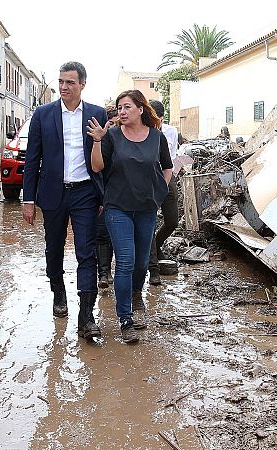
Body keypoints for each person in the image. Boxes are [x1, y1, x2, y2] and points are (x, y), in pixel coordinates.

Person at [22, 61, 107, 340]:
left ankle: (86, 314)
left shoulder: (96, 114)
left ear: (83, 84)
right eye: (60, 82)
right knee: (53, 248)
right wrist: (28, 199)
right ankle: (58, 292)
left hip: (85, 192)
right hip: (53, 192)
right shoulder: (43, 114)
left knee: (86, 251)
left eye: (70, 82)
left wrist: (105, 195)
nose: (64, 87)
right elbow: (33, 159)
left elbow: (104, 159)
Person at [88, 89, 173, 344]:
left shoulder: (157, 137)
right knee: (125, 260)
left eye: (126, 107)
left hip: (146, 208)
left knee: (140, 263)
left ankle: (137, 293)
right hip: (117, 207)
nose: (121, 112)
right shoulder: (111, 135)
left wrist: (159, 193)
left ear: (140, 109)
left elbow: (167, 167)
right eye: (119, 107)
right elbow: (97, 167)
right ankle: (125, 318)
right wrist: (97, 141)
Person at [147, 100, 180, 286]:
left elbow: (172, 158)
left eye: (158, 120)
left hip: (167, 177)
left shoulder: (172, 132)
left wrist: (166, 181)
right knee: (149, 223)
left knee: (172, 220)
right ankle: (153, 267)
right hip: (148, 179)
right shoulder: (142, 131)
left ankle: (155, 247)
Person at [96, 104, 119, 289]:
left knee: (117, 236)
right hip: (103, 193)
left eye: (115, 123)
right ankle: (103, 273)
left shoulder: (126, 139)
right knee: (102, 234)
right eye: (109, 123)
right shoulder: (99, 142)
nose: (112, 126)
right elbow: (95, 170)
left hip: (122, 195)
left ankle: (121, 273)